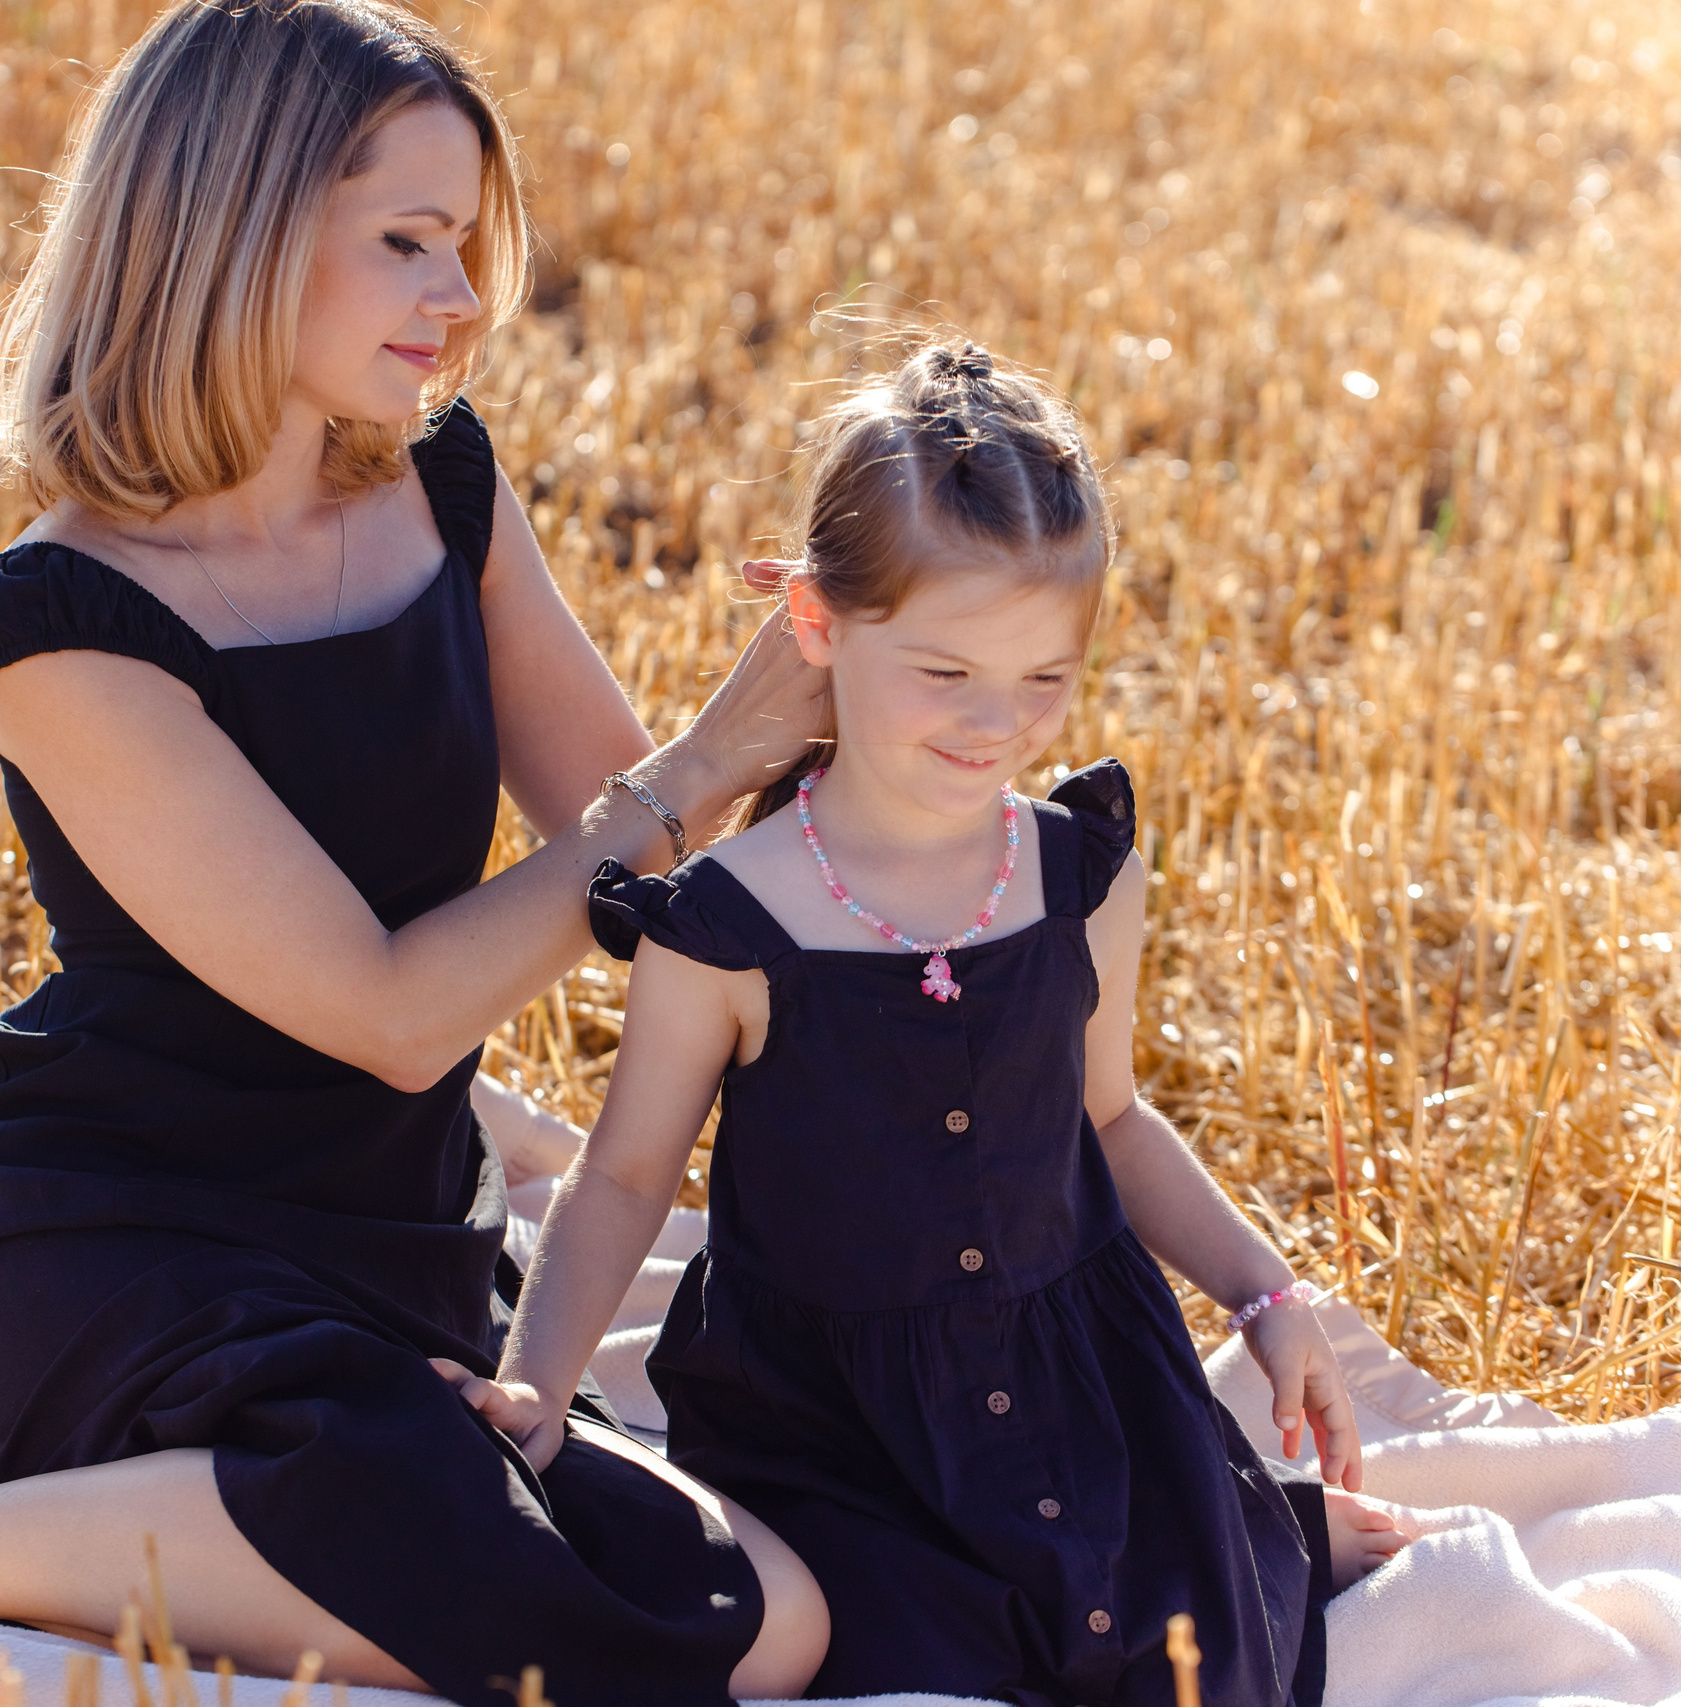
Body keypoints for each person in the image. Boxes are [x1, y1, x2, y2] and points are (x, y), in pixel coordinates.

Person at [0, 4, 831, 1702]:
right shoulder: (58, 621)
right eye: (405, 243)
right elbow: (392, 1006)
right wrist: (710, 754)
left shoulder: (443, 489)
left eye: (461, 248)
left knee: (763, 1616)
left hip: (400, 1233)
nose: (457, 301)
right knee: (525, 1595)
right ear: (231, 234)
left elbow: (639, 856)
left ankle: (136, 1530)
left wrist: (863, 692)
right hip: (122, 1245)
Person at [439, 341, 1423, 1706]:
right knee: (908, 1659)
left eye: (1043, 680)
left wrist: (1265, 1297)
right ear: (818, 625)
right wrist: (534, 1389)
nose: (995, 726)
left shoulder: (1079, 871)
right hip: (836, 1423)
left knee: (1190, 1640)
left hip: (1080, 1376)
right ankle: (1239, 1533)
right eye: (946, 674)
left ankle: (1262, 1525)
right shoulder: (727, 919)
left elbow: (1114, 1119)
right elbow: (618, 1175)